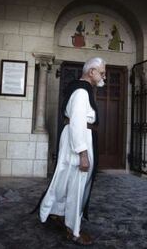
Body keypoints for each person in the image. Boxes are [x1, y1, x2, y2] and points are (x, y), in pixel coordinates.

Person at [31, 57, 106, 246]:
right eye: (102, 72)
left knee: (66, 179)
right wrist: (83, 154)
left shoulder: (81, 89)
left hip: (75, 137)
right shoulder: (81, 91)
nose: (104, 76)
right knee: (77, 184)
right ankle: (74, 230)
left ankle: (55, 213)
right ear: (91, 72)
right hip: (79, 139)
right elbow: (78, 122)